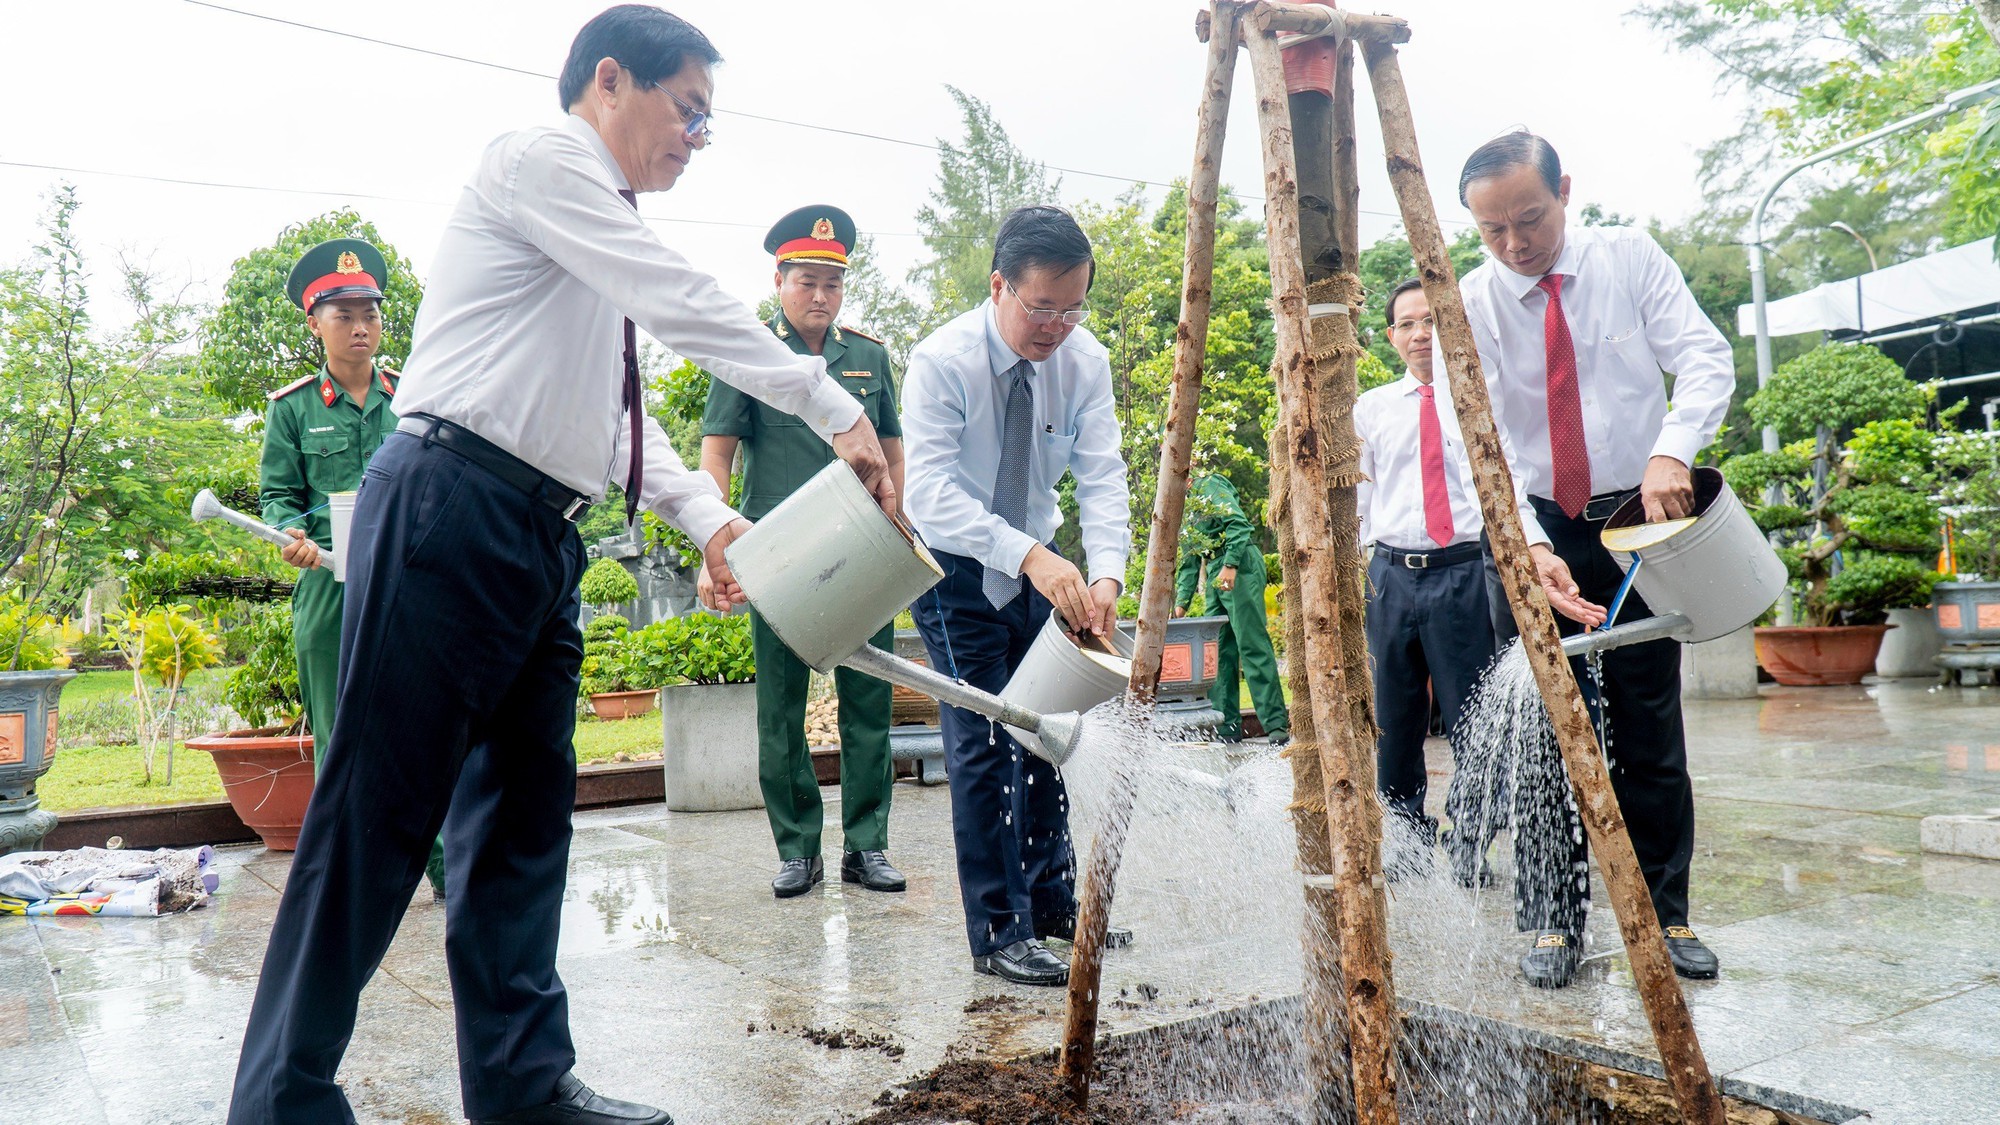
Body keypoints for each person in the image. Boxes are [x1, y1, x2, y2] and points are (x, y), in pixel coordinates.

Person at [226, 9, 894, 1125]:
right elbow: (680, 297)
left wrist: (709, 520)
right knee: (379, 817)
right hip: (449, 507)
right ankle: (281, 1102)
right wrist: (831, 405)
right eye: (688, 113)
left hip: (541, 535)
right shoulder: (538, 161)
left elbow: (621, 422)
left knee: (523, 823)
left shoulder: (601, 230)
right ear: (609, 81)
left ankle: (524, 1085)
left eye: (707, 126)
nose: (694, 139)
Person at [1456, 131, 1731, 990]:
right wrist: (1528, 545)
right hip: (1534, 525)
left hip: (1636, 513)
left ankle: (1664, 909)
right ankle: (1548, 918)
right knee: (1544, 730)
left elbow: (1704, 357)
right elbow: (1482, 438)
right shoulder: (1471, 299)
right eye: (1492, 230)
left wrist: (1673, 450)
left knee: (1649, 721)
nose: (1515, 244)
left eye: (1529, 218)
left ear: (1565, 190)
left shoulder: (1630, 257)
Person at [903, 204, 1130, 987]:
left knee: (1049, 730)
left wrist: (1106, 575)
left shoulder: (1084, 360)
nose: (1057, 326)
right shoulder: (942, 361)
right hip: (957, 567)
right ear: (999, 285)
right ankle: (1000, 929)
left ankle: (1054, 906)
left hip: (1042, 565)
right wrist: (1029, 554)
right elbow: (927, 493)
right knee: (985, 738)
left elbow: (1103, 475)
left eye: (1073, 308)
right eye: (1042, 308)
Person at [697, 205, 907, 899]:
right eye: (807, 281)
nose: (820, 296)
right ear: (779, 280)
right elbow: (717, 456)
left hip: (864, 552)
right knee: (781, 707)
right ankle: (798, 849)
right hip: (777, 554)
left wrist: (898, 519)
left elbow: (892, 448)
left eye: (833, 284)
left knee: (869, 696)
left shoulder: (868, 356)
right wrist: (712, 543)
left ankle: (867, 845)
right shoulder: (751, 354)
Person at [260, 238, 448, 904]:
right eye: (343, 313)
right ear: (315, 324)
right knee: (341, 737)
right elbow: (280, 495)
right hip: (329, 585)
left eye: (370, 310)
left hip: (410, 582)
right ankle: (360, 877)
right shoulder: (293, 407)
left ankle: (448, 871)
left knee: (424, 726)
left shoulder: (417, 396)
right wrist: (293, 534)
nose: (361, 324)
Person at [1354, 279, 1496, 881]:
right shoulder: (1373, 408)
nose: (1420, 333)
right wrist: (1366, 561)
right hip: (1392, 576)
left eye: (1431, 321)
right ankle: (1408, 843)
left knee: (1474, 718)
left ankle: (1471, 842)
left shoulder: (1481, 400)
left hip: (1463, 573)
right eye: (1407, 324)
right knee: (1394, 717)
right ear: (1391, 337)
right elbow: (1360, 494)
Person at [1172, 468, 1288, 747]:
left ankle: (1276, 729)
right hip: (1215, 570)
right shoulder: (1185, 505)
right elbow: (1189, 561)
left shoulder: (1207, 484)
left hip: (1238, 565)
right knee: (1217, 651)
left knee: (1251, 645)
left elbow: (1238, 523)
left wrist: (1231, 564)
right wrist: (1181, 604)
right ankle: (1226, 727)